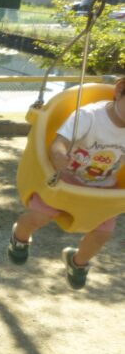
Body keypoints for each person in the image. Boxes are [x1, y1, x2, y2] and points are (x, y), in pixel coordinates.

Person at [8, 76, 125, 289]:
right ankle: (20, 237)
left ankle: (77, 262)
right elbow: (59, 142)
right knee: (37, 218)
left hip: (102, 187)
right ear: (119, 90)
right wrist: (59, 155)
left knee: (103, 233)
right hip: (66, 180)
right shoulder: (89, 116)